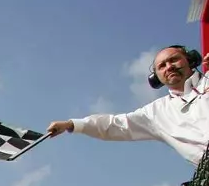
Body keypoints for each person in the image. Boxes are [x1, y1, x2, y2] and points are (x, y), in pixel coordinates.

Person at [46, 45, 209, 166]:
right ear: (156, 78)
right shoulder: (156, 113)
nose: (169, 67)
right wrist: (72, 124)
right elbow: (115, 125)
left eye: (174, 59)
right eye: (162, 66)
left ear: (190, 60)